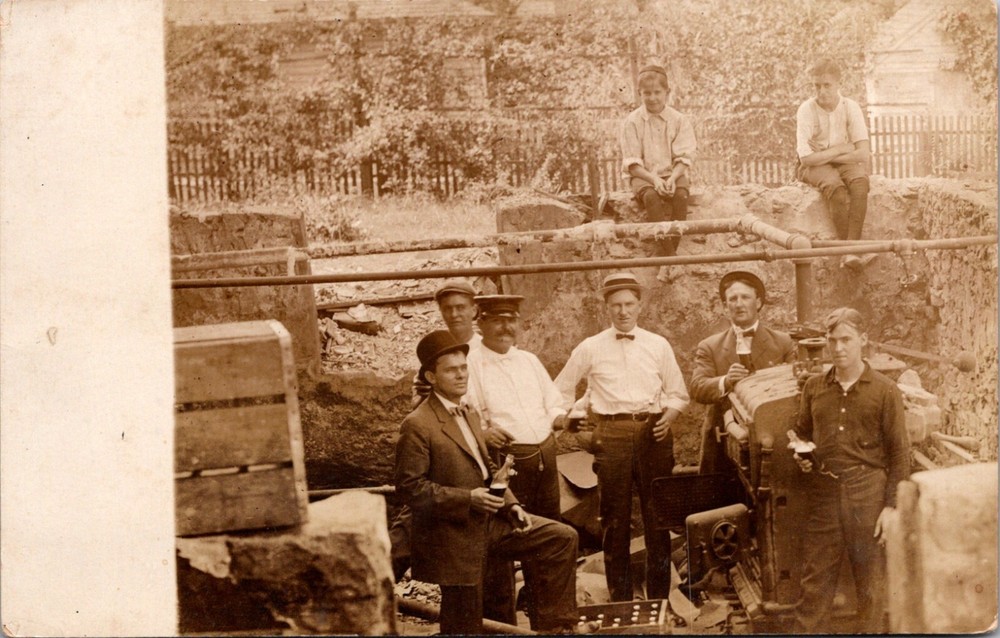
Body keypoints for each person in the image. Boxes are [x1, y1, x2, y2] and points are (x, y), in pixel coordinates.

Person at [394, 330, 581, 634]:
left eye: (464, 368)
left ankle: (556, 628)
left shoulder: (468, 412)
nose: (461, 375)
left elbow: (489, 468)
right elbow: (410, 489)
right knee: (464, 626)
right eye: (451, 370)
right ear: (431, 376)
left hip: (490, 523)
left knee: (561, 538)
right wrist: (468, 499)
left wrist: (512, 506)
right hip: (453, 535)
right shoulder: (417, 424)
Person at [554, 272, 690, 601]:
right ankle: (621, 600)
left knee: (657, 519)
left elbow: (678, 393)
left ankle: (658, 598)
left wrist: (669, 415)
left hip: (653, 433)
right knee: (614, 522)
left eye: (629, 304)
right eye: (616, 305)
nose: (623, 311)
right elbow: (558, 390)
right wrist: (575, 425)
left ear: (640, 305)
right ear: (606, 308)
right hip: (609, 435)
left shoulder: (658, 344)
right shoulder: (590, 347)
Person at [790, 307, 910, 633]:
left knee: (871, 584)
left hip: (868, 494)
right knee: (814, 585)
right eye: (833, 340)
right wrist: (802, 453)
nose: (839, 348)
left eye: (847, 339)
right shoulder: (814, 388)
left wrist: (890, 508)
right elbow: (800, 433)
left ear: (863, 341)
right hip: (826, 493)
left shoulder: (885, 391)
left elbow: (900, 454)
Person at [465, 294, 566, 626]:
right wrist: (484, 431)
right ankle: (503, 626)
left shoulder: (529, 361)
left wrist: (560, 418)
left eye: (511, 319)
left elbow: (553, 401)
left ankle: (547, 622)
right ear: (480, 324)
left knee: (549, 537)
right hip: (505, 465)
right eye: (496, 320)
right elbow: (467, 418)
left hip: (545, 460)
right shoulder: (471, 363)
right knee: (505, 544)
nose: (505, 327)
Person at [690, 269, 796, 474]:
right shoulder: (710, 346)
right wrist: (726, 381)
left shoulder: (782, 342)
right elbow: (697, 388)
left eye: (745, 297)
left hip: (772, 436)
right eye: (733, 299)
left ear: (758, 302)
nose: (739, 304)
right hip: (723, 439)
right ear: (724, 306)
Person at [620, 64, 697, 281]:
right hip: (643, 176)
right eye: (647, 93)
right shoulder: (632, 122)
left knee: (681, 197)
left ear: (667, 93)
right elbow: (632, 163)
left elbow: (685, 158)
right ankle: (671, 259)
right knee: (652, 198)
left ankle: (668, 257)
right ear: (639, 94)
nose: (653, 98)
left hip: (673, 173)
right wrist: (653, 179)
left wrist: (672, 178)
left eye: (657, 92)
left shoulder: (679, 120)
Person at [796, 58, 872, 269]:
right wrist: (840, 149)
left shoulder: (851, 107)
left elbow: (863, 154)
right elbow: (806, 159)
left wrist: (828, 154)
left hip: (838, 161)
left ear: (839, 84)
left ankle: (850, 251)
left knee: (860, 184)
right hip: (813, 166)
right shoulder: (806, 110)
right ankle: (851, 251)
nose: (822, 91)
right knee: (836, 190)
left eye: (827, 85)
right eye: (817, 86)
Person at [410, 278, 482, 407]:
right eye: (447, 309)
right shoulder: (435, 349)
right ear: (441, 312)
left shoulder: (486, 348)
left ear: (474, 310)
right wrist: (424, 395)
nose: (454, 314)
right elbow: (417, 404)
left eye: (460, 308)